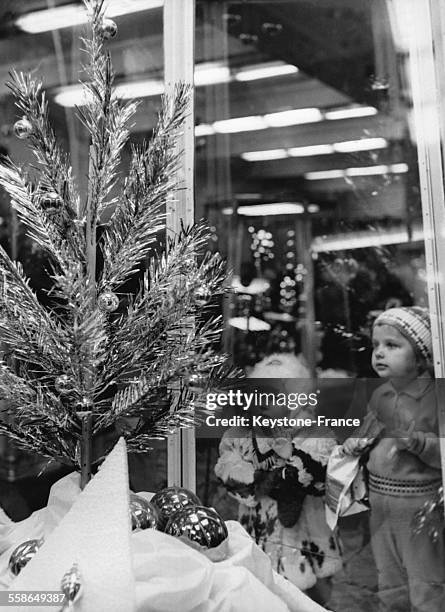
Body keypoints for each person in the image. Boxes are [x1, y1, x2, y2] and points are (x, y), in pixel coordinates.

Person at [215, 353, 342, 606]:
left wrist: (285, 471)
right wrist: (246, 476)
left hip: (307, 530)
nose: (263, 403)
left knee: (313, 590)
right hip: (261, 525)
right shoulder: (243, 434)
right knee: (261, 583)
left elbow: (319, 474)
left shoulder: (316, 433)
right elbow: (228, 469)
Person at [342, 306, 445, 612]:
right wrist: (356, 442)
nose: (379, 353)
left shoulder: (435, 398)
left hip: (418, 505)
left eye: (392, 345)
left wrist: (418, 443)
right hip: (380, 499)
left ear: (421, 355)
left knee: (426, 577)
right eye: (376, 345)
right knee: (388, 574)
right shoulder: (380, 395)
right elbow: (369, 428)